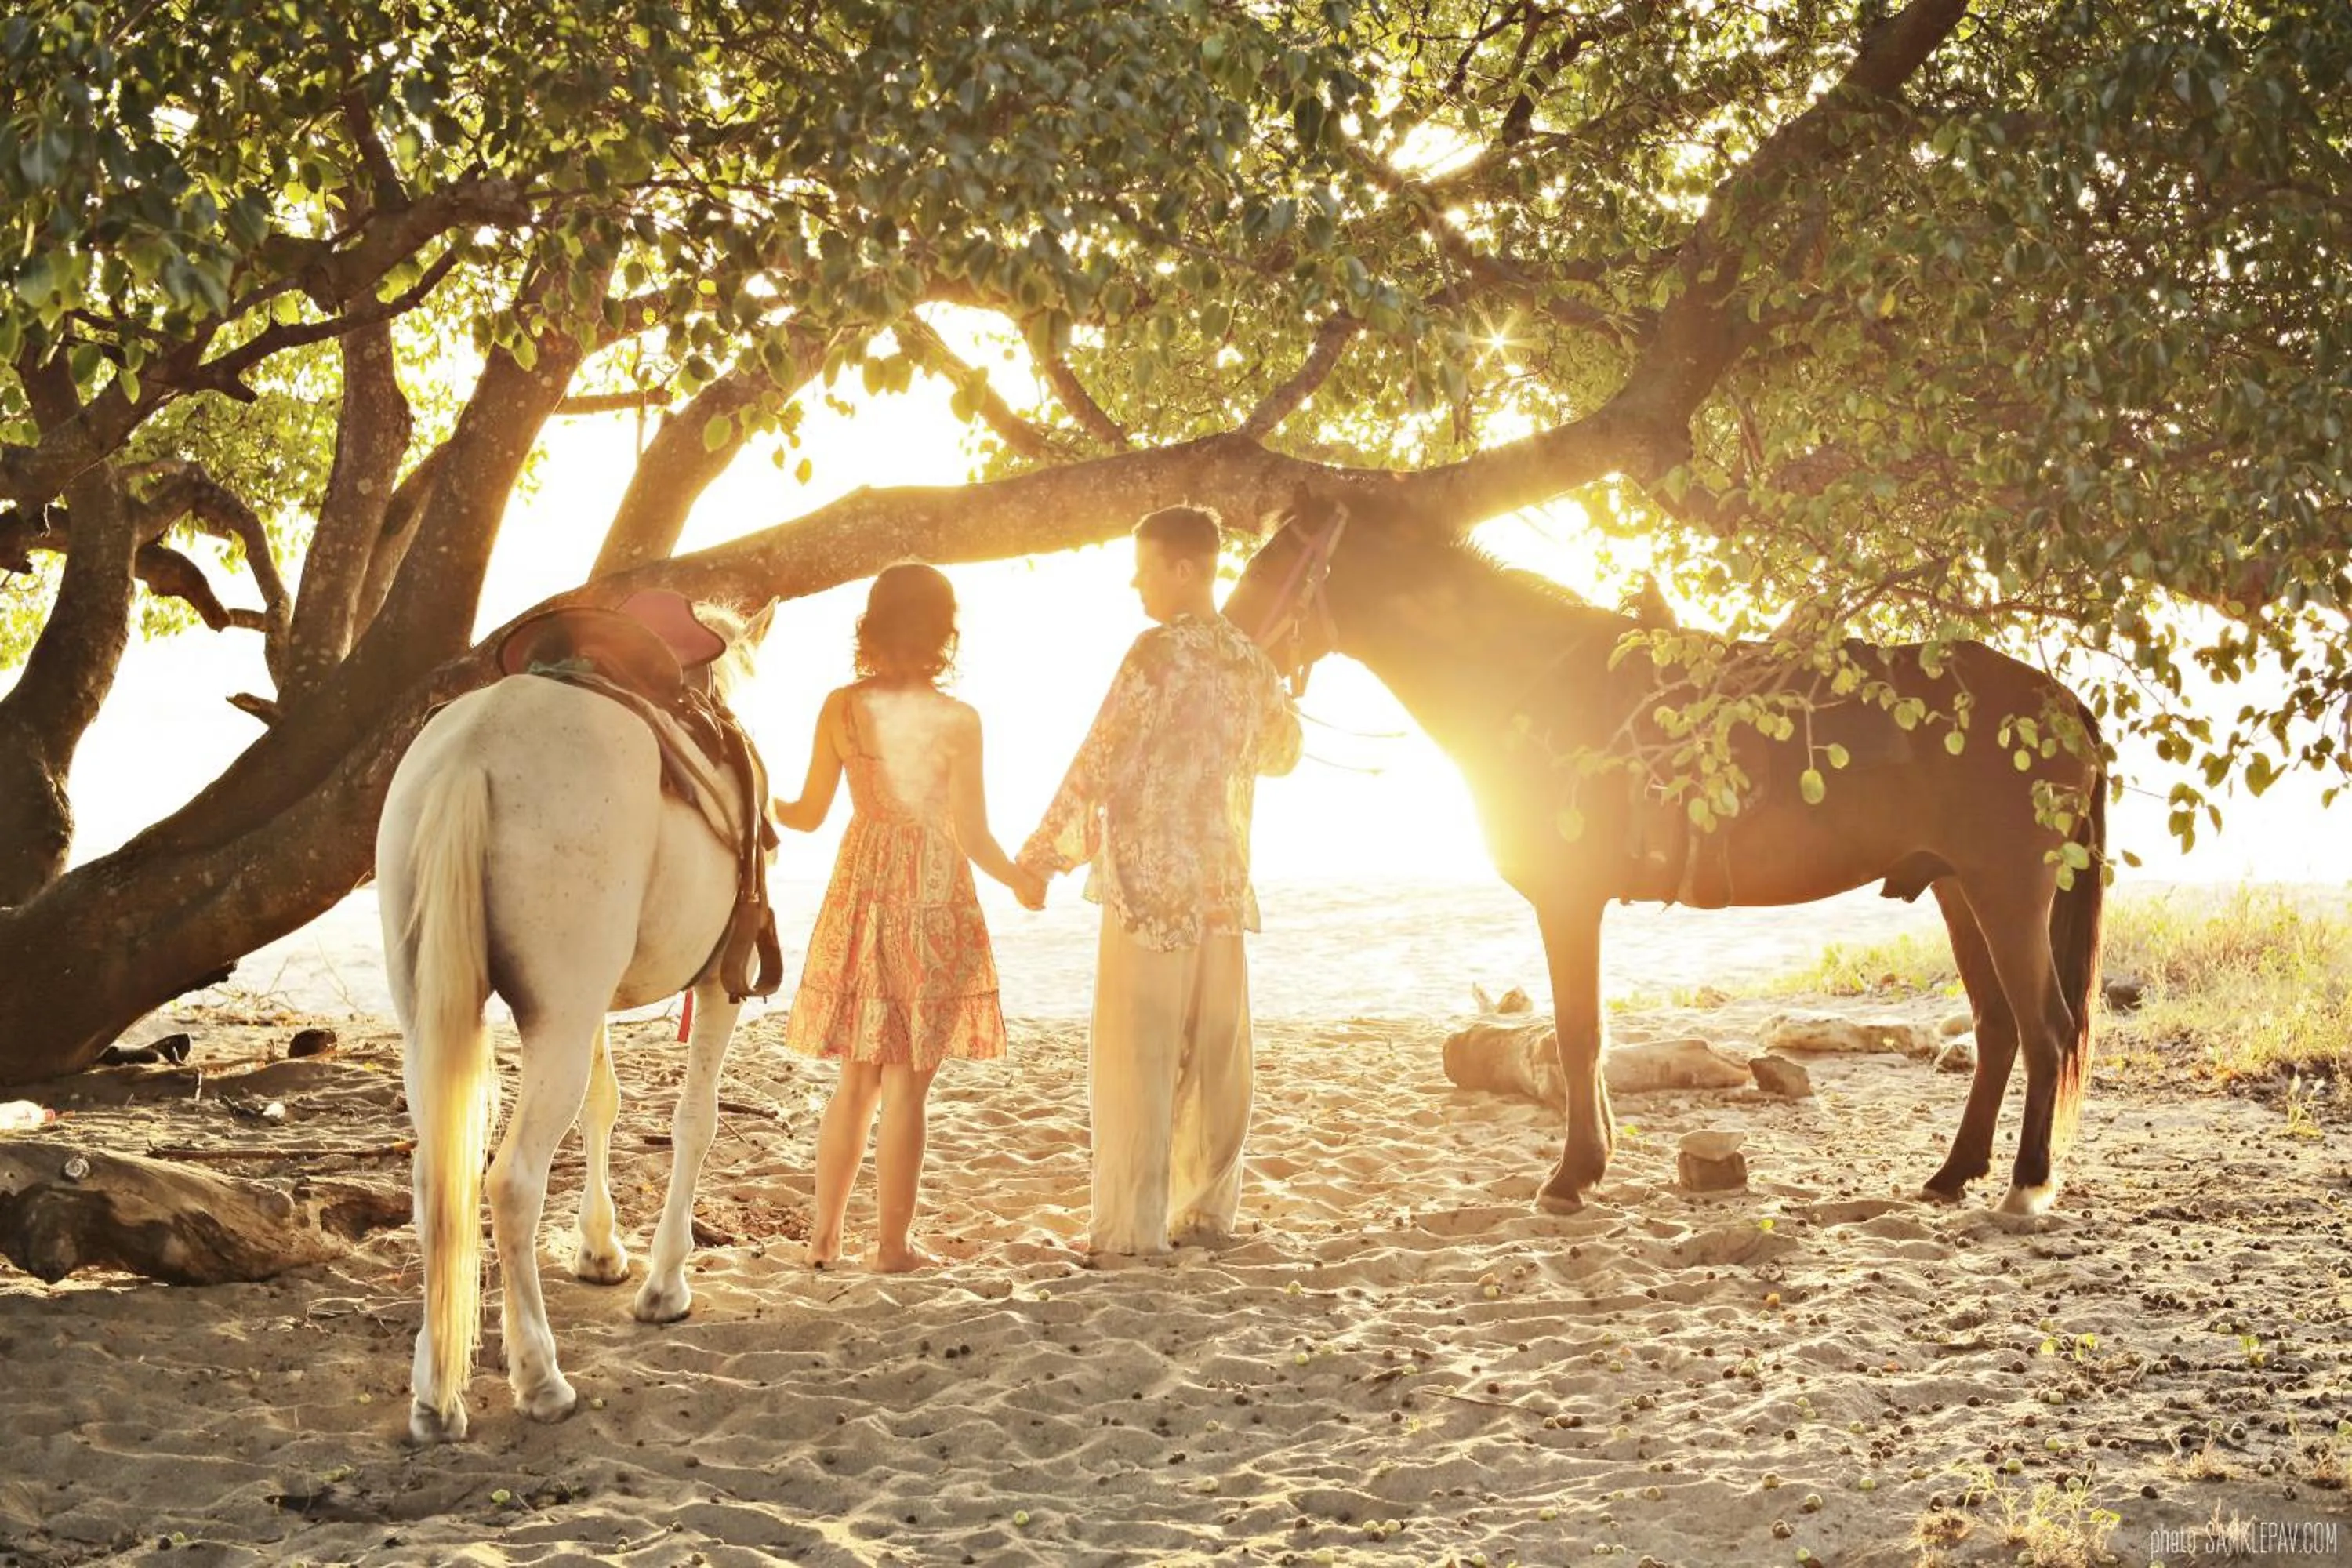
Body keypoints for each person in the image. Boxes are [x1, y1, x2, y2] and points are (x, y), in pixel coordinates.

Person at [1018, 505, 1301, 1256]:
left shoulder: (1154, 654)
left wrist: (1043, 854)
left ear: (1185, 569)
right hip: (1219, 885)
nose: (1136, 582)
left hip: (1150, 887)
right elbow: (1284, 753)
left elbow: (1101, 755)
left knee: (1137, 1057)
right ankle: (1206, 1215)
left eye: (1145, 567)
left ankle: (1133, 1228)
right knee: (1215, 1055)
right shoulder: (1252, 661)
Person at [771, 563, 1045, 1272]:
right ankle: (891, 1247)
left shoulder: (841, 707)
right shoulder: (959, 721)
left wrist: (751, 793)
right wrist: (1020, 880)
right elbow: (975, 835)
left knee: (857, 1078)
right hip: (931, 893)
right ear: (941, 630)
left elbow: (803, 814)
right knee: (909, 1081)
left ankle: (824, 1240)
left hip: (860, 889)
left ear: (874, 623)